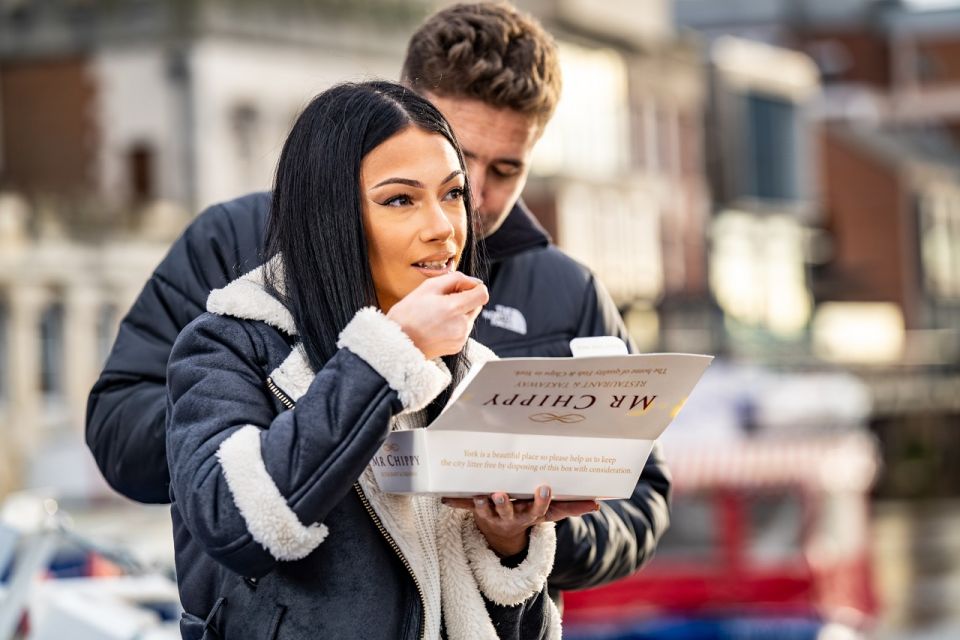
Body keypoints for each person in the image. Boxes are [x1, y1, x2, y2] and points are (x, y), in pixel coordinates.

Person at [87, 1, 670, 604]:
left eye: (505, 169)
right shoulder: (234, 242)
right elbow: (125, 434)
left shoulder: (567, 291)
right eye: (456, 154)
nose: (474, 197)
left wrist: (525, 519)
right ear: (403, 109)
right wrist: (309, 425)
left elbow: (641, 502)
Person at [169, 80, 579, 639]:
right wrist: (388, 356)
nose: (442, 227)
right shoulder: (228, 348)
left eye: (453, 193)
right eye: (400, 199)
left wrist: (506, 545)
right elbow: (236, 523)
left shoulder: (468, 368)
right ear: (328, 219)